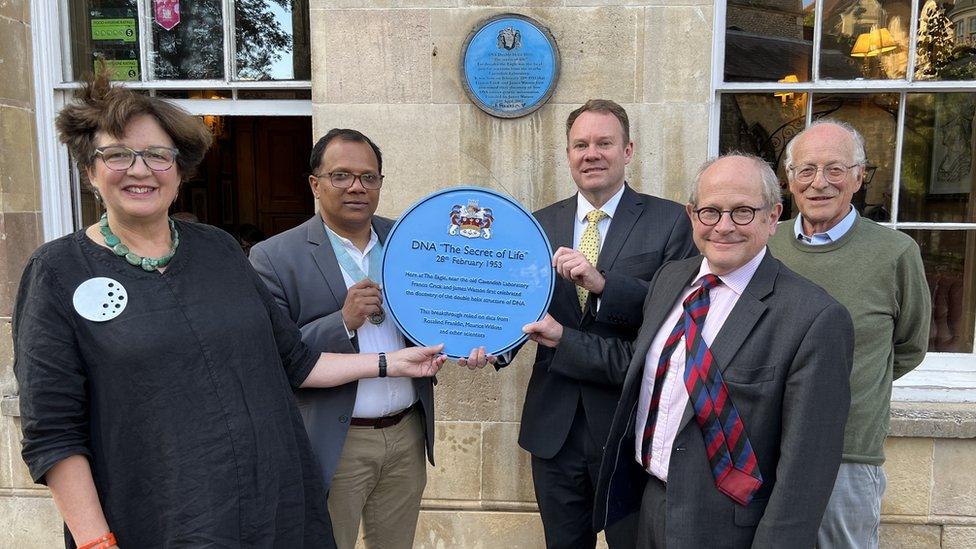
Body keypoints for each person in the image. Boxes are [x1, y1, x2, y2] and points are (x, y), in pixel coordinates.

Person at [13, 74, 445, 549]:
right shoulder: (57, 271)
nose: (140, 170)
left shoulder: (218, 250)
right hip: (159, 519)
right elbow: (54, 431)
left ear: (179, 169)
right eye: (118, 155)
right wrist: (97, 542)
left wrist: (395, 363)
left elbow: (296, 362)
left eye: (158, 155)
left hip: (268, 511)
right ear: (90, 171)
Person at [524, 154, 854, 548]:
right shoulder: (671, 280)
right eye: (710, 212)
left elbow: (806, 473)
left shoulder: (814, 318)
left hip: (727, 528)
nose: (724, 226)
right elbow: (636, 367)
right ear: (692, 216)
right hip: (643, 509)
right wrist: (560, 336)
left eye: (743, 212)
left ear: (773, 216)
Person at [250, 128, 483, 549]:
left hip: (406, 432)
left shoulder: (412, 241)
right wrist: (341, 321)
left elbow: (455, 301)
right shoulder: (274, 257)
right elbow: (274, 358)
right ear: (315, 184)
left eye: (368, 177)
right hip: (335, 439)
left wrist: (471, 339)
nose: (357, 187)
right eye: (341, 176)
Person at [510, 99, 696, 549]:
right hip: (554, 430)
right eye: (580, 144)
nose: (591, 153)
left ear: (628, 150)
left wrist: (602, 283)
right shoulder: (538, 224)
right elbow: (514, 307)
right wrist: (485, 346)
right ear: (569, 154)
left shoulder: (670, 221)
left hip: (629, 426)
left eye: (604, 143)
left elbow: (669, 314)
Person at [769, 120, 931, 549]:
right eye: (806, 170)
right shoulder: (766, 245)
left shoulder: (896, 253)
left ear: (859, 177)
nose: (819, 183)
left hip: (847, 452)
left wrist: (848, 385)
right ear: (789, 179)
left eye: (835, 169)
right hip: (762, 445)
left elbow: (910, 347)